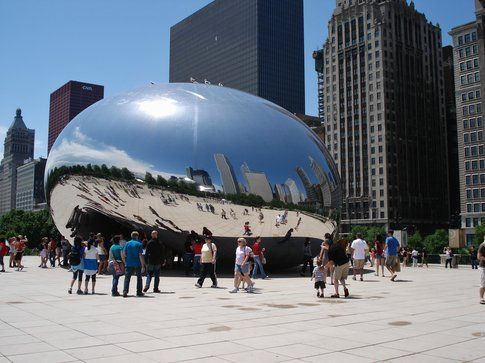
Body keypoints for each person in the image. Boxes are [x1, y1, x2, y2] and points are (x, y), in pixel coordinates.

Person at [122, 231, 146, 297]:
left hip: (129, 263)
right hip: (137, 263)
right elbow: (140, 255)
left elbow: (123, 253)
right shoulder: (139, 244)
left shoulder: (127, 243)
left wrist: (125, 261)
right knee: (139, 278)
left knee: (127, 278)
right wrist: (143, 265)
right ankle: (139, 292)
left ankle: (125, 291)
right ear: (137, 236)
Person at [478, 239, 485, 304]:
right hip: (483, 267)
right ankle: (481, 298)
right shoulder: (482, 245)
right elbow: (479, 256)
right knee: (483, 283)